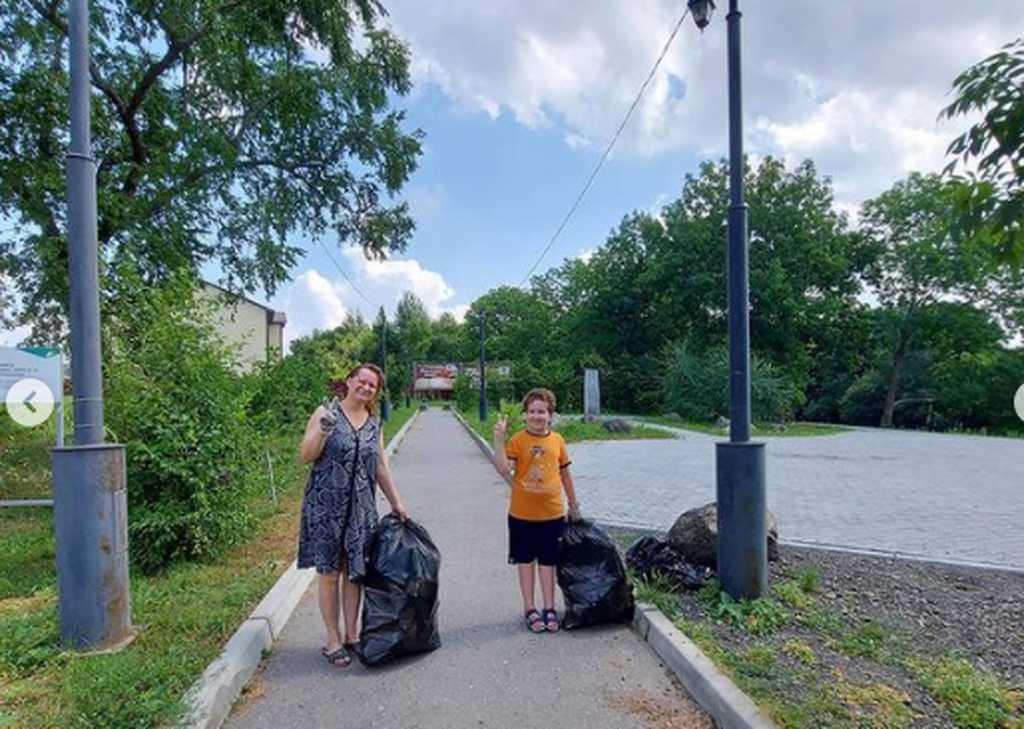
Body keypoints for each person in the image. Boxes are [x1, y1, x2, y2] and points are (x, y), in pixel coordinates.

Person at [297, 363, 409, 667]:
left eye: (372, 385)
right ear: (349, 381)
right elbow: (305, 455)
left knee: (355, 573)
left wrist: (396, 502)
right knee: (330, 574)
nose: (366, 388)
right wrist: (323, 431)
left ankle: (352, 635)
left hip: (361, 509)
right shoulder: (325, 413)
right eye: (362, 381)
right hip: (326, 507)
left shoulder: (374, 424)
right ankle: (332, 639)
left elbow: (380, 467)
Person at [492, 388, 582, 633]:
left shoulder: (558, 441)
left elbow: (565, 474)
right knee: (525, 561)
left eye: (542, 411)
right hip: (522, 515)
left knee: (549, 562)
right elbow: (503, 470)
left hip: (552, 515)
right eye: (532, 411)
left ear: (550, 415)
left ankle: (550, 607)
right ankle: (530, 608)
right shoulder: (518, 441)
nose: (536, 416)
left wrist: (574, 505)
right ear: (525, 415)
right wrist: (499, 440)